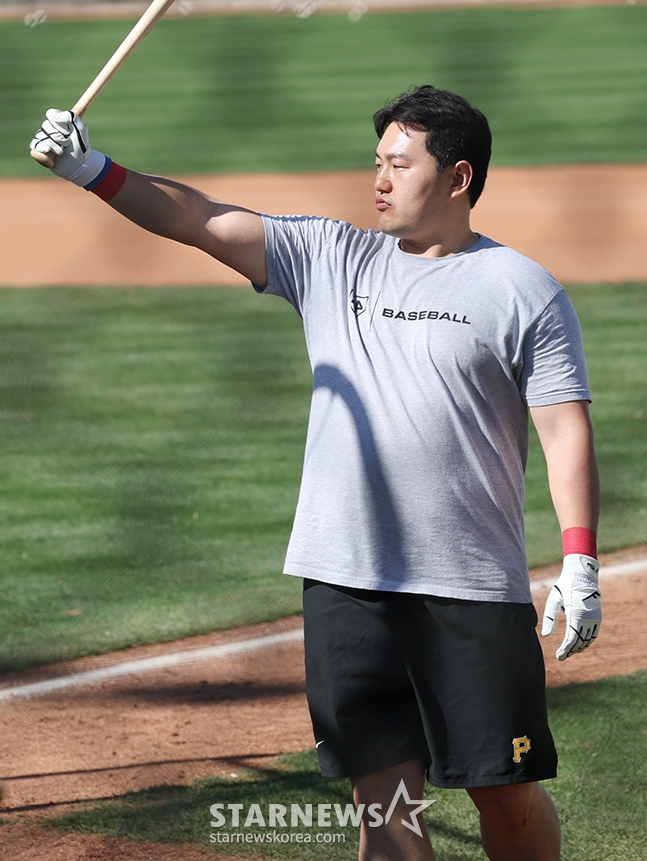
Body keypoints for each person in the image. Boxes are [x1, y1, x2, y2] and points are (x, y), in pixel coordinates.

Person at [31, 85, 601, 860]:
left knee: (506, 797)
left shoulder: (520, 289)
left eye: (399, 164)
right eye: (377, 162)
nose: (379, 180)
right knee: (385, 809)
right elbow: (199, 218)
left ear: (458, 176)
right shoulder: (331, 257)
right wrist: (91, 168)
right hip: (345, 584)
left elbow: (564, 428)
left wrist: (578, 558)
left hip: (467, 586)